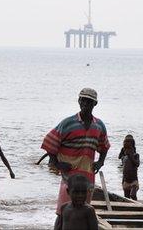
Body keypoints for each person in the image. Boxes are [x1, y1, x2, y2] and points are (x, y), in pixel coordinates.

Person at [41, 88, 110, 217]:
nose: (85, 104)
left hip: (88, 175)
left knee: (84, 211)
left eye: (89, 101)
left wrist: (100, 162)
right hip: (69, 176)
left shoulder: (99, 125)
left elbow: (104, 146)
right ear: (78, 101)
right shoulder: (68, 123)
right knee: (63, 212)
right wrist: (57, 163)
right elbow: (50, 141)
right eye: (83, 100)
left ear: (95, 104)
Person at [120, 135, 140, 200]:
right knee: (127, 199)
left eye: (129, 149)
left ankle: (137, 206)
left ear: (133, 149)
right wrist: (123, 182)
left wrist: (130, 156)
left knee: (133, 195)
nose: (127, 151)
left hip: (134, 181)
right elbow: (124, 171)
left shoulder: (136, 155)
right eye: (126, 149)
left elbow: (137, 164)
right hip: (126, 181)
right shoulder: (124, 158)